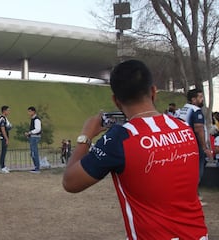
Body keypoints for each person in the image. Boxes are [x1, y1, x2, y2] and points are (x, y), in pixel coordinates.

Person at [62, 60, 208, 239]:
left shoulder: (120, 138)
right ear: (153, 91)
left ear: (116, 101)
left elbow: (70, 182)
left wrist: (85, 136)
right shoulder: (185, 128)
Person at [178, 88, 213, 206]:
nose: (202, 99)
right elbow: (199, 129)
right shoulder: (196, 110)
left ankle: (194, 194)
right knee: (197, 171)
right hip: (194, 145)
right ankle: (193, 197)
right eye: (200, 97)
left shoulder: (182, 110)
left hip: (183, 144)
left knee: (187, 171)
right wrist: (205, 147)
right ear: (193, 99)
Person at [24, 106, 41, 173]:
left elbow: (38, 129)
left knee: (34, 152)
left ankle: (37, 168)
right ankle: (36, 167)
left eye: (30, 111)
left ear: (33, 112)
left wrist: (30, 133)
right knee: (33, 152)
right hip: (33, 136)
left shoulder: (36, 119)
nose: (29, 113)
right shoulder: (33, 119)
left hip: (35, 137)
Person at [0, 105, 12, 173]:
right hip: (3, 137)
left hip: (4, 137)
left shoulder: (4, 118)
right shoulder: (2, 118)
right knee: (3, 152)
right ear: (4, 111)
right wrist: (6, 138)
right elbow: (2, 129)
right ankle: (2, 167)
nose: (9, 112)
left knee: (4, 151)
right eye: (8, 110)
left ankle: (3, 166)